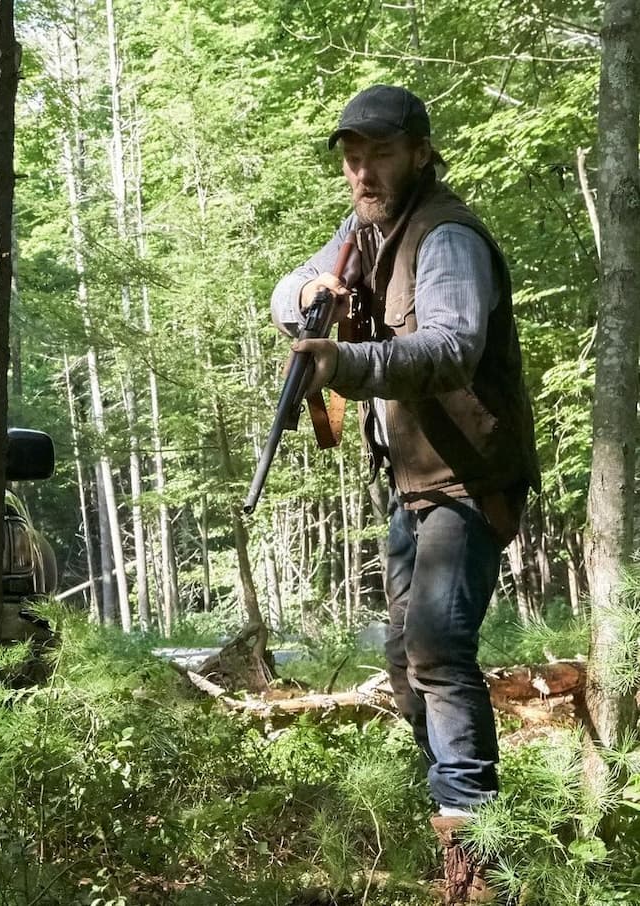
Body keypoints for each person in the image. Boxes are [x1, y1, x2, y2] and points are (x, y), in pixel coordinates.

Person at [271, 85, 539, 903]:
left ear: (420, 153)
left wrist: (345, 362)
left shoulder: (446, 235)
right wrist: (306, 297)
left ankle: (480, 863)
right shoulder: (365, 228)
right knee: (403, 660)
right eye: (352, 158)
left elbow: (453, 347)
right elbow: (293, 287)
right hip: (413, 480)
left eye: (380, 154)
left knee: (436, 652)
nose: (363, 172)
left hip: (469, 481)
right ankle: (455, 822)